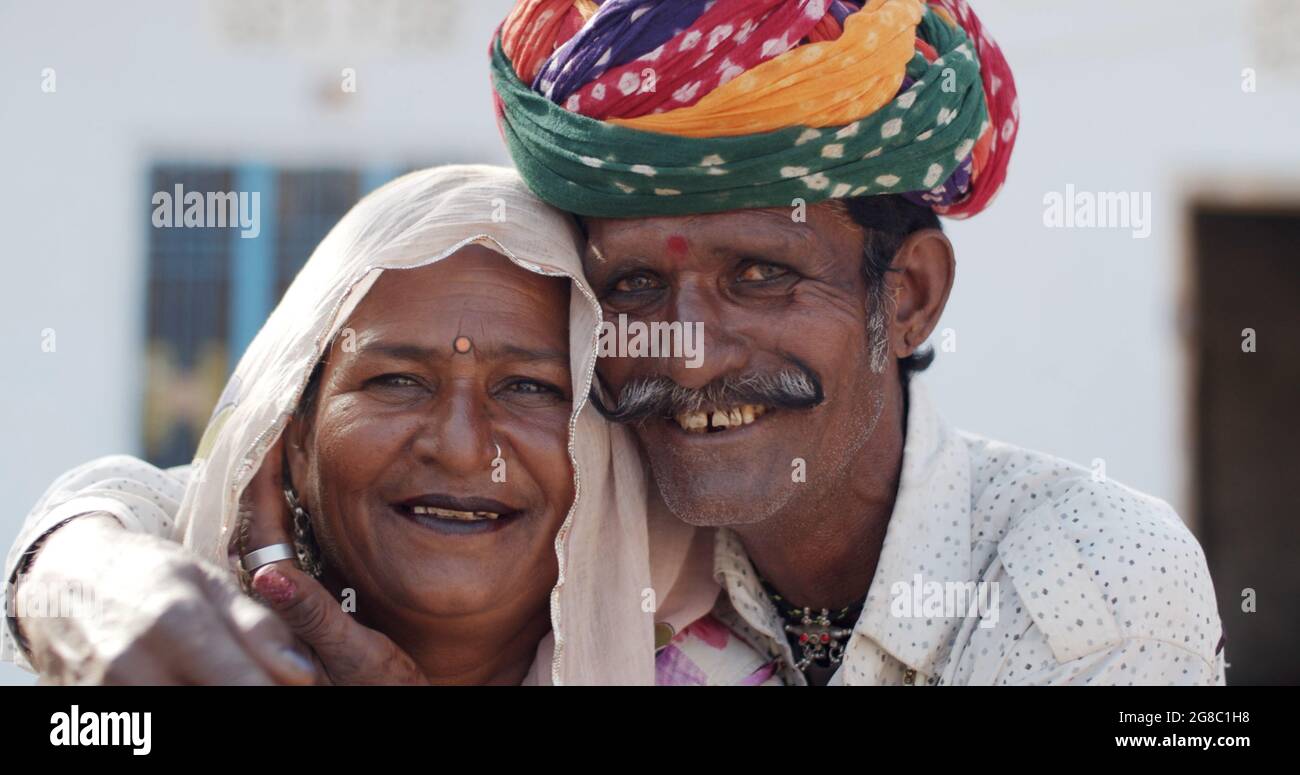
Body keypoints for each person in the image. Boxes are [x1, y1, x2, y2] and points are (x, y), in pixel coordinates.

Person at [6, 0, 1225, 685]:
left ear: (905, 295)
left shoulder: (1088, 572)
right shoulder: (625, 487)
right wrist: (77, 565)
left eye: (761, 275)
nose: (684, 355)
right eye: (634, 281)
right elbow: (198, 503)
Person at [2, 164, 773, 685]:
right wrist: (76, 567)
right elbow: (110, 528)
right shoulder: (170, 652)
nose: (463, 445)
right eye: (397, 380)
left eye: (530, 387)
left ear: (607, 446)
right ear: (290, 433)